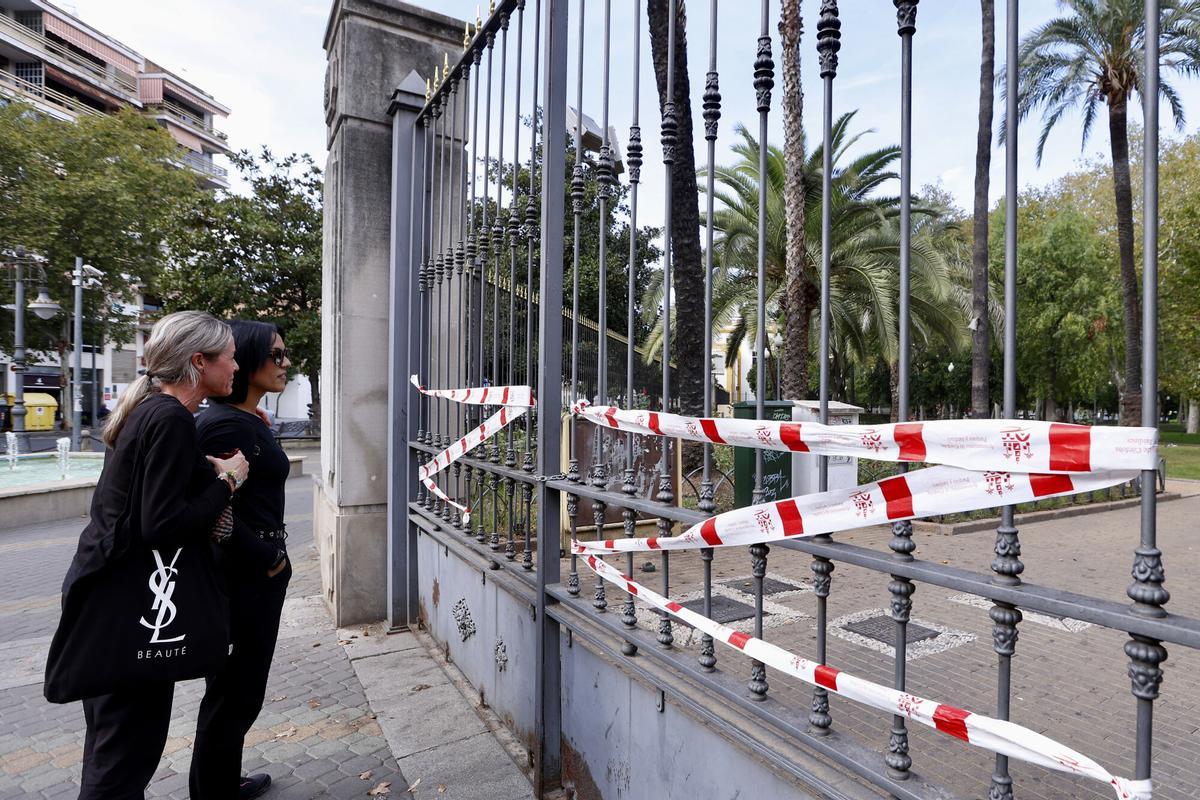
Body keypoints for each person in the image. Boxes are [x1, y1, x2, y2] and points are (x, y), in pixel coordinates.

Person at [60, 311, 251, 799]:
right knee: (124, 759)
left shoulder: (154, 412)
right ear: (198, 362)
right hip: (128, 609)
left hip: (111, 600)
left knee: (114, 751)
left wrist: (204, 479)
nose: (236, 366)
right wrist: (228, 480)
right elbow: (162, 525)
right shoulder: (169, 418)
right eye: (228, 357)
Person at [191, 321, 293, 800]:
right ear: (249, 360)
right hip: (246, 576)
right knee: (236, 691)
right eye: (275, 355)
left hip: (257, 572)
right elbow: (215, 506)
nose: (285, 363)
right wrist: (268, 557)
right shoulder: (226, 423)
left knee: (237, 689)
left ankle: (220, 782)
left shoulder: (245, 419)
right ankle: (213, 791)